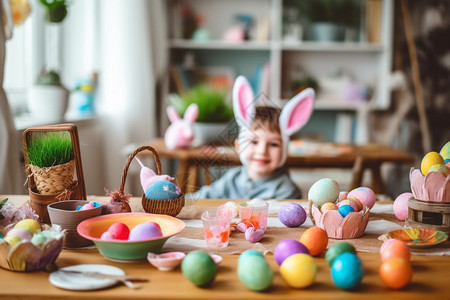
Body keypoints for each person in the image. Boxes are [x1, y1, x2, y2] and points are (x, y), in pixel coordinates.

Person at [186, 76, 314, 200]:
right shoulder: (233, 178)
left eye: (273, 144)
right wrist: (175, 199)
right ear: (238, 146)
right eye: (254, 142)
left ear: (284, 150)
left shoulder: (286, 192)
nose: (262, 151)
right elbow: (203, 197)